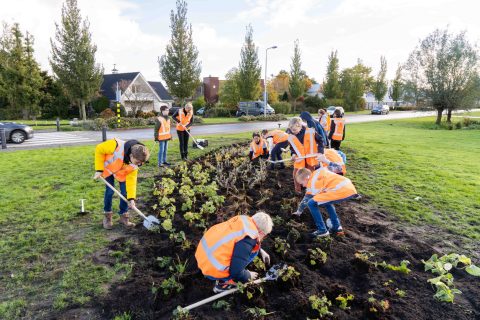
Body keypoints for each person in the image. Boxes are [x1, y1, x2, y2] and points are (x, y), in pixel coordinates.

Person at [195, 212, 273, 293]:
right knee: (254, 252)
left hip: (202, 254)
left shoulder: (242, 220)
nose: (263, 238)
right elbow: (236, 272)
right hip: (212, 269)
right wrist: (248, 275)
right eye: (264, 235)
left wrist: (260, 250)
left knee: (254, 249)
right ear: (261, 233)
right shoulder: (248, 239)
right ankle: (223, 283)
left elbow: (234, 241)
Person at [93, 138, 150, 229]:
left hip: (121, 173)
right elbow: (99, 148)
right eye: (137, 162)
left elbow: (131, 182)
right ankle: (107, 216)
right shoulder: (115, 145)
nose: (138, 165)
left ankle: (123, 217)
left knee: (125, 193)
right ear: (131, 156)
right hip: (108, 169)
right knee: (109, 192)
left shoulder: (136, 163)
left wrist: (131, 199)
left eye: (140, 163)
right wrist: (99, 170)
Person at [292, 165, 358, 238]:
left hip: (339, 190)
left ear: (306, 178)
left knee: (311, 203)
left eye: (302, 183)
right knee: (326, 201)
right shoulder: (316, 175)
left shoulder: (313, 183)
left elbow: (306, 199)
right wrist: (299, 211)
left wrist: (298, 212)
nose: (303, 186)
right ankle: (336, 227)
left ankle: (322, 230)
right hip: (348, 188)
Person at [287, 117, 325, 193]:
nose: (293, 132)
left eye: (294, 130)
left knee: (310, 176)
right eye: (291, 130)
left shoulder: (311, 131)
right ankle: (298, 192)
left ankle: (310, 190)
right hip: (299, 159)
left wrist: (320, 152)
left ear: (299, 126)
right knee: (296, 175)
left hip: (310, 159)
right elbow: (292, 147)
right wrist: (293, 154)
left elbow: (321, 140)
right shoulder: (290, 135)